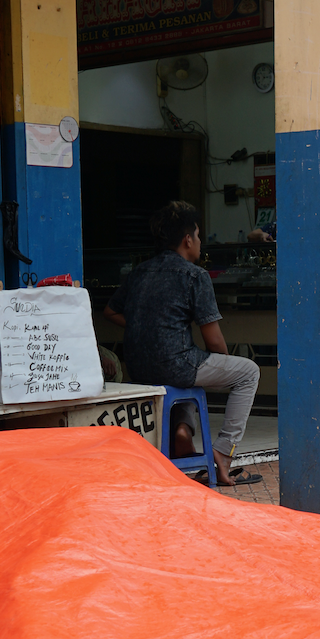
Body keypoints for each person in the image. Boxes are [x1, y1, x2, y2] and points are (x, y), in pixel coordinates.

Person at [104, 200, 260, 485]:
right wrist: (223, 362)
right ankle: (224, 452)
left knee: (189, 370)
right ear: (188, 240)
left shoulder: (138, 272)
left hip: (138, 367)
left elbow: (110, 311)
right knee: (247, 372)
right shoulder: (195, 275)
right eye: (198, 236)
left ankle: (183, 431)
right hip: (176, 364)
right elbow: (214, 339)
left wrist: (147, 327)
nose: (200, 242)